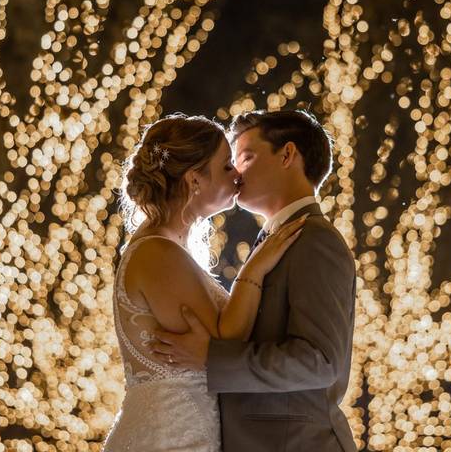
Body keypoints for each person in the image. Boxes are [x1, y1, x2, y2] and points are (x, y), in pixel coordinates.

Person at [152, 109, 358, 452]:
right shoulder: (276, 240)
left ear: (287, 155)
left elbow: (319, 361)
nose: (234, 172)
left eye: (244, 157)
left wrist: (211, 358)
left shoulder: (315, 241)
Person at [103, 113, 308, 452]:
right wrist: (253, 270)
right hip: (167, 439)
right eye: (227, 166)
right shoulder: (157, 253)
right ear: (194, 179)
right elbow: (226, 340)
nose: (237, 176)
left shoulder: (166, 247)